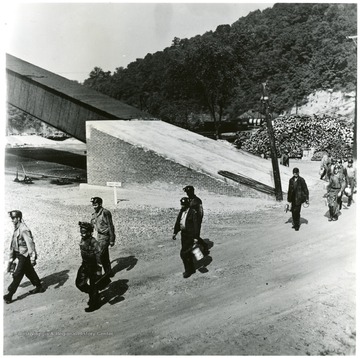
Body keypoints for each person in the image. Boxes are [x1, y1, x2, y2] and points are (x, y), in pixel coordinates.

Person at [3, 210, 45, 304]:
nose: (12, 220)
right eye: (12, 218)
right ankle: (39, 286)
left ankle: (9, 294)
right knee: (29, 271)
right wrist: (12, 256)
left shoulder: (24, 229)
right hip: (18, 254)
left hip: (24, 255)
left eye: (13, 218)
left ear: (18, 218)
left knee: (18, 274)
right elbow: (13, 243)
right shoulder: (17, 228)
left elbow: (30, 244)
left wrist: (32, 257)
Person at [75, 222, 102, 312]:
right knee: (79, 283)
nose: (82, 234)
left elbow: (99, 258)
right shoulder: (83, 240)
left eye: (84, 232)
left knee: (94, 285)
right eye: (81, 231)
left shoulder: (94, 243)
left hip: (93, 266)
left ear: (90, 232)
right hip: (85, 264)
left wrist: (99, 271)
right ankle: (94, 294)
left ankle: (95, 303)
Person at [172, 197, 200, 278]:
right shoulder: (181, 211)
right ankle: (191, 268)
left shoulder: (193, 212)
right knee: (187, 253)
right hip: (183, 235)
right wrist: (175, 232)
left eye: (183, 205)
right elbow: (178, 221)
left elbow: (196, 225)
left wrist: (196, 237)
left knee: (183, 253)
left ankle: (188, 271)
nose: (182, 206)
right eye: (181, 204)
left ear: (187, 205)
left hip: (190, 235)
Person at [90, 197, 116, 277]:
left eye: (96, 205)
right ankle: (109, 272)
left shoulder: (105, 213)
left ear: (100, 204)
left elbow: (110, 226)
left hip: (105, 237)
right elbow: (92, 224)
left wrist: (112, 239)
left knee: (99, 255)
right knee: (104, 255)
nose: (94, 206)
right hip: (99, 236)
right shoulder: (95, 214)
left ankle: (99, 275)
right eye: (93, 205)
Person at [183, 185, 209, 255]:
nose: (187, 194)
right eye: (187, 192)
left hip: (196, 221)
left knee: (195, 236)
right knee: (192, 236)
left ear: (192, 192)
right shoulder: (188, 200)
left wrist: (198, 221)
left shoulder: (197, 200)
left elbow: (200, 212)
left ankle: (203, 248)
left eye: (188, 192)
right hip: (189, 221)